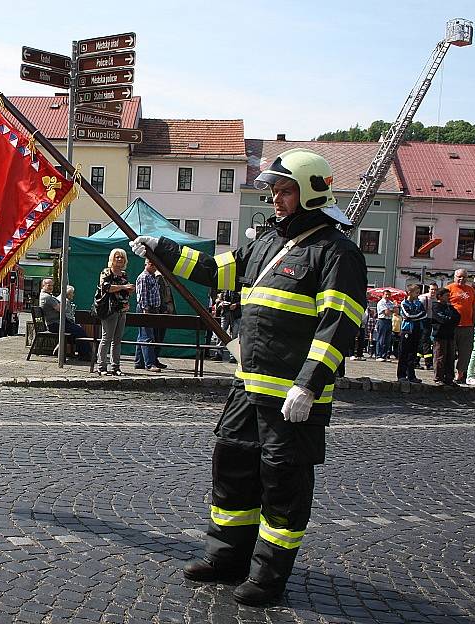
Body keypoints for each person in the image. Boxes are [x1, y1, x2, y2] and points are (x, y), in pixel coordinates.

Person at [130, 148, 367, 607]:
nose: (276, 200)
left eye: (285, 191)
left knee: (282, 485)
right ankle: (227, 558)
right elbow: (215, 271)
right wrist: (162, 248)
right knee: (232, 468)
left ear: (313, 192)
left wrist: (310, 384)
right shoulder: (266, 243)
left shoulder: (336, 252)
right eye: (274, 191)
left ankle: (268, 575)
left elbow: (339, 322)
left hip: (292, 397)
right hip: (247, 385)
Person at [95, 248, 135, 376]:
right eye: (117, 257)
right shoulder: (106, 272)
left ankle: (116, 367)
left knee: (117, 340)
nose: (119, 259)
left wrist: (129, 290)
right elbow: (106, 288)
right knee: (106, 338)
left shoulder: (124, 274)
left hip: (122, 309)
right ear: (112, 259)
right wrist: (124, 287)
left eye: (122, 257)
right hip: (109, 309)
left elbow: (124, 290)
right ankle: (101, 367)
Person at [447, 269, 475, 384]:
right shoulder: (449, 288)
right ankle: (448, 374)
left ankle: (460, 375)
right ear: (454, 277)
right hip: (453, 326)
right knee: (450, 351)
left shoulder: (471, 290)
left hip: (467, 326)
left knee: (465, 352)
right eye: (459, 277)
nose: (461, 279)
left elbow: (474, 307)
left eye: (464, 277)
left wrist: (473, 322)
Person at [134, 259, 163, 373]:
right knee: (147, 337)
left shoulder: (152, 276)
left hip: (153, 309)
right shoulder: (144, 277)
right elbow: (142, 295)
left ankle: (139, 362)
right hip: (146, 309)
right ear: (147, 264)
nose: (154, 267)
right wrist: (146, 310)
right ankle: (149, 364)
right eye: (152, 264)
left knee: (142, 336)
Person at [431, 287, 460, 386]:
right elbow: (441, 319)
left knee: (450, 357)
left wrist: (451, 319)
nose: (449, 297)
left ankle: (449, 378)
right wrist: (450, 319)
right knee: (440, 356)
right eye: (447, 295)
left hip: (450, 334)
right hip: (440, 335)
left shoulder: (450, 307)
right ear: (440, 296)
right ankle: (438, 377)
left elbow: (457, 317)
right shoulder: (436, 306)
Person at [397, 284, 426, 383]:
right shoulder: (404, 303)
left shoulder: (418, 303)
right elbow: (408, 315)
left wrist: (415, 316)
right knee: (404, 353)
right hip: (407, 330)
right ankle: (401, 375)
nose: (418, 295)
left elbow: (424, 314)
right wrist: (416, 316)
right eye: (416, 292)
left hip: (417, 329)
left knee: (413, 354)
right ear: (409, 292)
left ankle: (411, 375)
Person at [55, 284, 91, 360]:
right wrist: (74, 322)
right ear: (68, 294)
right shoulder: (65, 301)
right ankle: (85, 354)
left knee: (79, 331)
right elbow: (66, 315)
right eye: (72, 293)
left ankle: (84, 353)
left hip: (60, 323)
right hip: (62, 324)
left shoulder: (60, 299)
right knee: (80, 332)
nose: (73, 295)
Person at [212, 290, 242, 362]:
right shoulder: (225, 288)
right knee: (221, 333)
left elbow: (245, 300)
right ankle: (218, 354)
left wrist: (236, 305)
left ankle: (233, 356)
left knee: (234, 336)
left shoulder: (240, 288)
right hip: (225, 314)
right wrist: (221, 302)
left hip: (236, 315)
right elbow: (218, 299)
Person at [154, 268, 175, 369]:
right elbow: (159, 295)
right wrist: (164, 309)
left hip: (166, 310)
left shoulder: (164, 278)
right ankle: (153, 359)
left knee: (160, 336)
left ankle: (155, 358)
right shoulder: (159, 277)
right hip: (162, 311)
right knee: (157, 336)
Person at [415, 282, 437, 370]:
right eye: (432, 289)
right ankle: (428, 362)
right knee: (425, 341)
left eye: (435, 290)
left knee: (424, 342)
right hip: (424, 321)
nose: (433, 291)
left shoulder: (436, 299)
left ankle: (416, 361)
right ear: (429, 289)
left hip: (432, 321)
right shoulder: (423, 298)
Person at [375, 290, 394, 361]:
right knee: (381, 339)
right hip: (382, 321)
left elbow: (396, 311)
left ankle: (384, 355)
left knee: (387, 339)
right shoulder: (381, 303)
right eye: (386, 294)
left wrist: (391, 310)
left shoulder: (391, 302)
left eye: (389, 294)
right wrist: (391, 310)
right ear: (383, 295)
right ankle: (379, 355)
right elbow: (386, 312)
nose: (387, 296)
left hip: (389, 321)